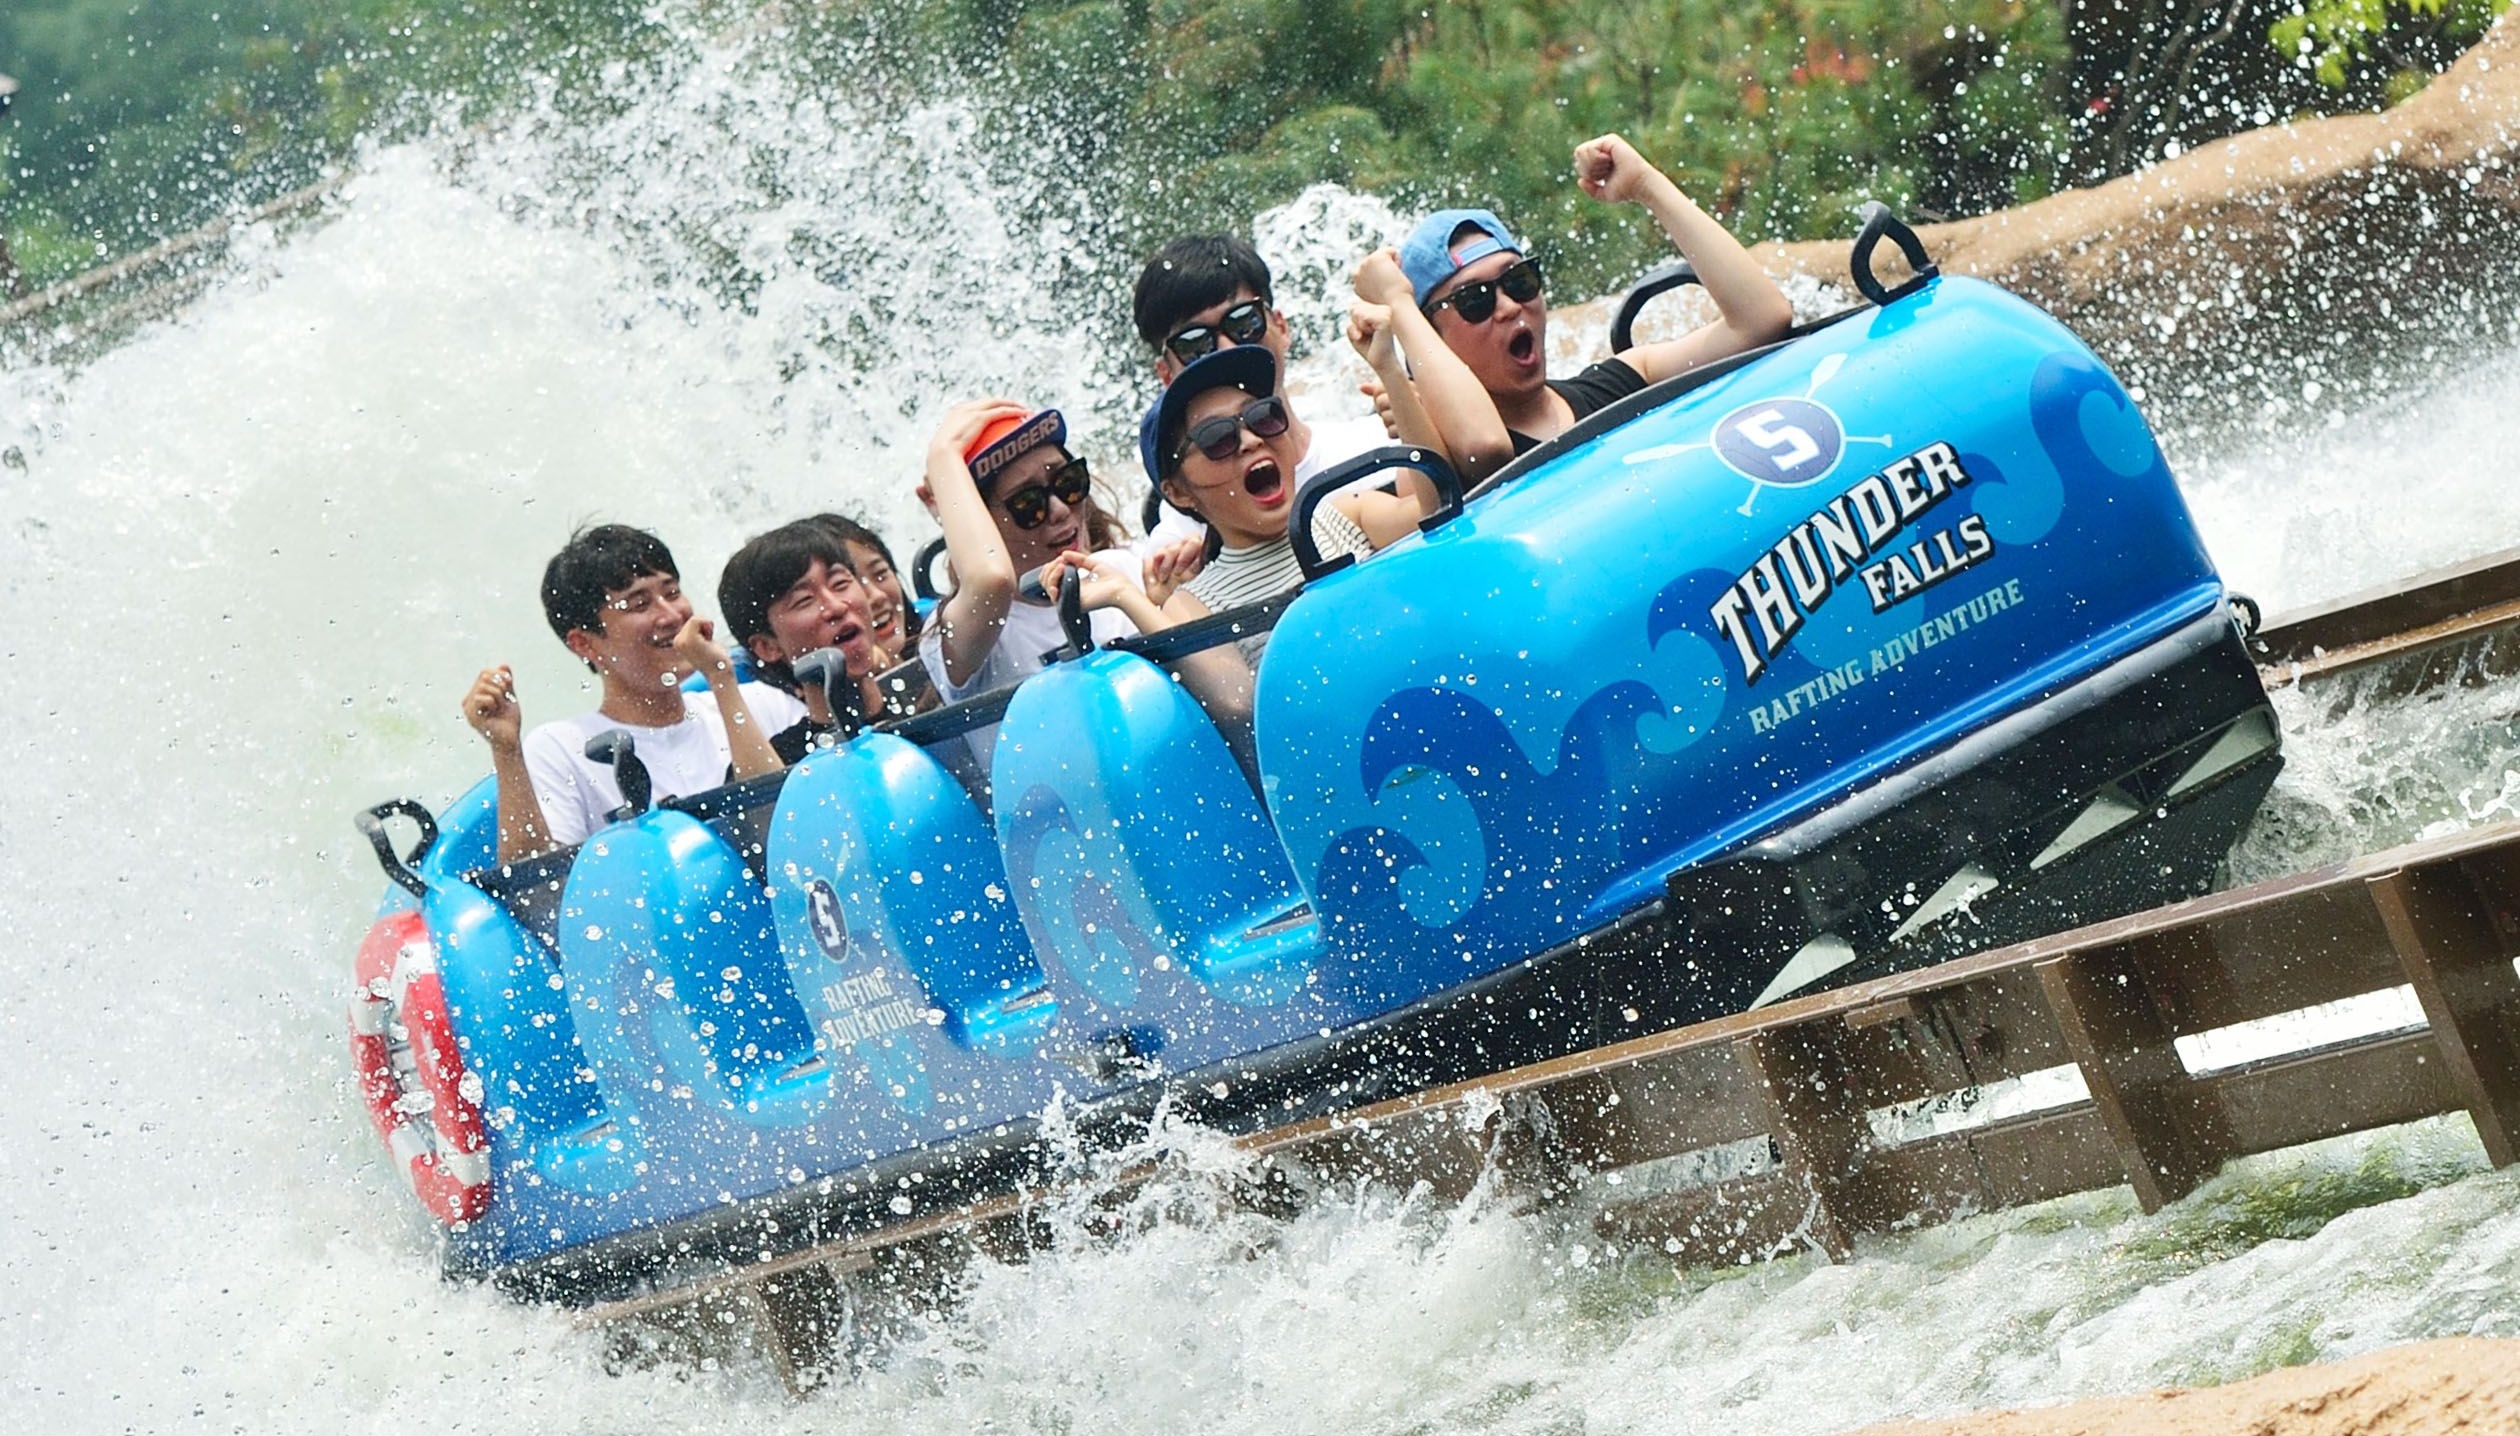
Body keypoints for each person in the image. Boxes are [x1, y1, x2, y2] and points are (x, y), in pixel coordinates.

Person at [1396, 133, 1795, 457]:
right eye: (1475, 300)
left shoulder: (1618, 385)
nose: (1509, 306)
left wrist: (1646, 185)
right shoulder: (1447, 469)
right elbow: (1479, 451)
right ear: (1432, 338)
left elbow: (1761, 319)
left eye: (1519, 280)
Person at [460, 524, 783, 865]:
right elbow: (537, 889)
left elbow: (785, 828)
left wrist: (722, 680)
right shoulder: (561, 749)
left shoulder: (760, 703)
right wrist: (506, 750)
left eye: (672, 592)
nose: (672, 616)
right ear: (583, 643)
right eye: (640, 604)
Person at [915, 401, 1203, 761]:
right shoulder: (964, 633)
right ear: (982, 522)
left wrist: (1169, 597)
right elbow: (991, 580)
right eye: (1028, 504)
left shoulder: (1125, 568)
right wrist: (943, 458)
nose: (1060, 510)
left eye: (1067, 483)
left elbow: (1226, 700)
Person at [1145, 339, 1439, 625]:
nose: (1251, 440)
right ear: (1179, 492)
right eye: (1217, 438)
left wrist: (1390, 371)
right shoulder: (1193, 605)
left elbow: (1438, 514)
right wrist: (1125, 597)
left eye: (1263, 416)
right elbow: (1232, 678)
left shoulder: (1346, 516)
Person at [1130, 235, 1395, 541]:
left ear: (1281, 327)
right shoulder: (1182, 538)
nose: (1225, 348)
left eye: (1244, 323)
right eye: (1195, 344)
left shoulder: (1377, 448)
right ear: (1166, 375)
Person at [717, 519, 911, 761]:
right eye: (804, 600)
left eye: (840, 583)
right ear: (768, 646)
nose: (836, 606)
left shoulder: (929, 698)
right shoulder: (786, 764)